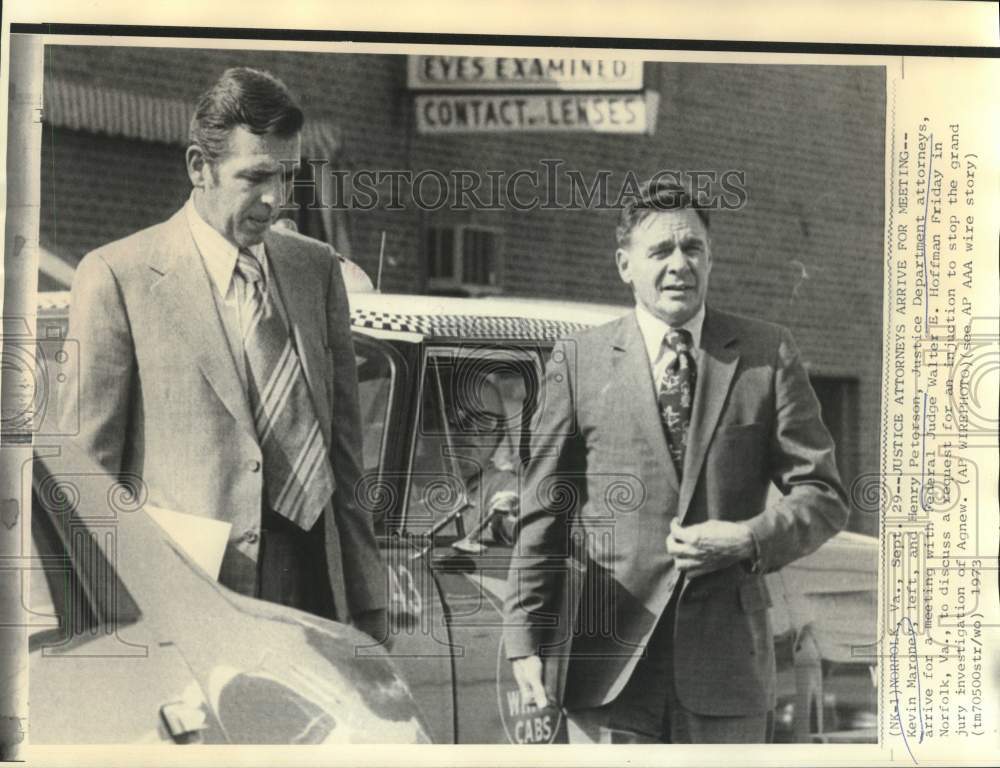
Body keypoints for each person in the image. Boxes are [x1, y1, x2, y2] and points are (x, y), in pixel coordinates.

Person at [503, 178, 849, 743]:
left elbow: (824, 494)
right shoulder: (579, 360)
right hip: (606, 667)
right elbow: (544, 508)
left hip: (725, 668)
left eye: (692, 248)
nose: (679, 265)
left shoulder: (766, 355)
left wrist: (749, 538)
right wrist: (525, 640)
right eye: (660, 250)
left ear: (711, 258)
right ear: (625, 265)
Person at [61, 67, 387, 641]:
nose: (275, 199)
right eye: (255, 177)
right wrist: (99, 630)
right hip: (190, 600)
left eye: (287, 176)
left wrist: (369, 603)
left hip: (314, 588)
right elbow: (87, 479)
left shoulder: (315, 270)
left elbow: (344, 456)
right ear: (199, 167)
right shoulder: (118, 277)